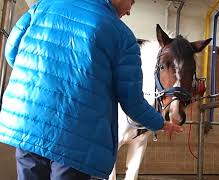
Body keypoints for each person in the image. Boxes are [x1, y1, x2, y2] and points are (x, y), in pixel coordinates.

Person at [0, 0, 183, 179]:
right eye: (131, 3)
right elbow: (132, 101)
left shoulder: (43, 5)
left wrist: (41, 78)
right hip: (76, 135)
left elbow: (11, 51)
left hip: (29, 120)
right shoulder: (122, 36)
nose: (129, 12)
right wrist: (160, 123)